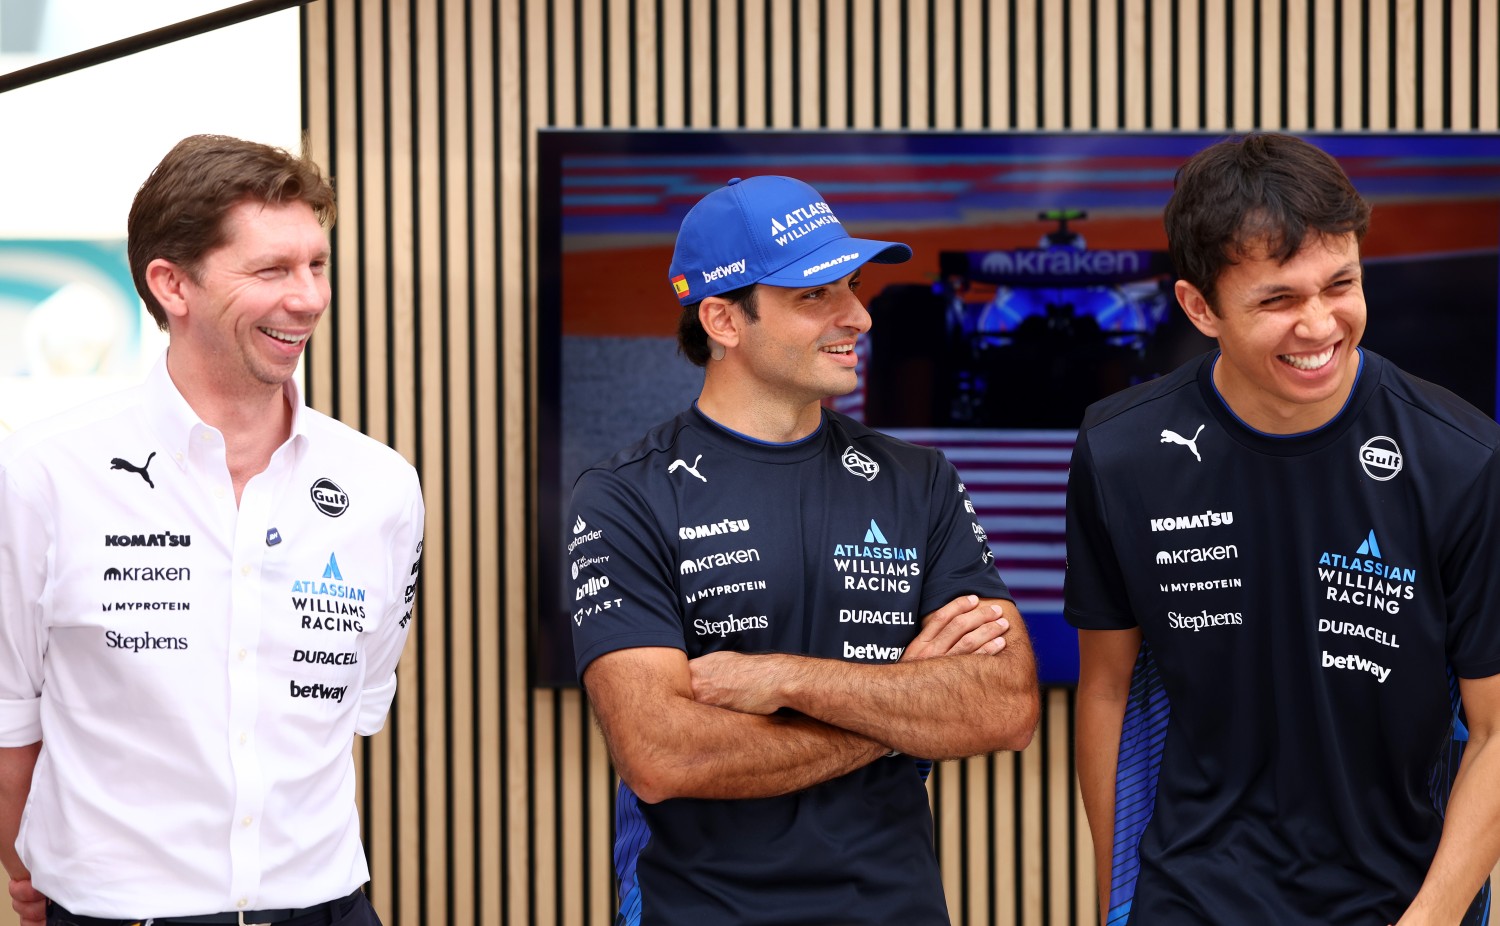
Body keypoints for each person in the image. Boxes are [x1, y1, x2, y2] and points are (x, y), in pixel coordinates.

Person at [566, 175, 1041, 925]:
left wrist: (786, 679)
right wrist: (899, 705)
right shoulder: (626, 494)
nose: (860, 315)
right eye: (814, 295)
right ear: (723, 319)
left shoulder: (917, 480)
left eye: (851, 286)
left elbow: (1005, 706)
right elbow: (663, 756)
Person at [1066, 132, 1500, 925]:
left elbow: (1496, 731)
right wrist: (1116, 902)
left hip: (1395, 901)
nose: (1320, 324)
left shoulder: (1462, 458)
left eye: (1341, 284)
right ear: (1200, 307)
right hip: (1191, 898)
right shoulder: (1119, 451)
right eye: (1278, 300)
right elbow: (1107, 690)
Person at [0, 135, 424, 926]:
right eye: (272, 271)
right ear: (172, 284)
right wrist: (41, 871)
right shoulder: (44, 475)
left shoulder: (382, 488)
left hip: (328, 909)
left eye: (317, 265)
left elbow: (354, 710)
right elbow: (8, 719)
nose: (309, 298)